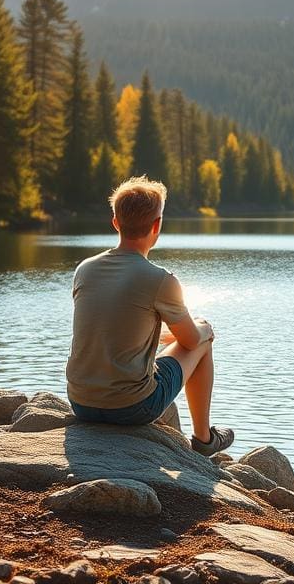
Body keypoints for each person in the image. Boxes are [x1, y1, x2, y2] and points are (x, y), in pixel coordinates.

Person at [65, 175, 234, 457]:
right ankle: (204, 439)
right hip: (131, 408)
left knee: (174, 342)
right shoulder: (160, 280)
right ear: (157, 226)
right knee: (202, 339)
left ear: (115, 223)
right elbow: (191, 341)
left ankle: (199, 437)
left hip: (81, 403)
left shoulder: (85, 269)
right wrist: (206, 329)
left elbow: (114, 327)